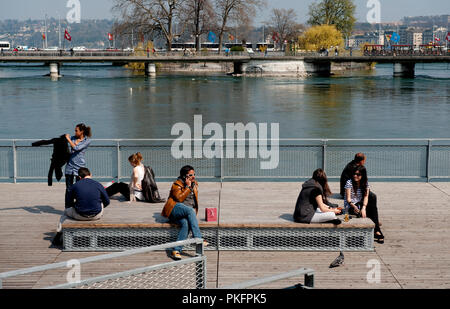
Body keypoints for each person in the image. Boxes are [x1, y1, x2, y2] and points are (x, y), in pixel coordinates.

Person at [52, 167, 110, 246]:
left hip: (79, 215)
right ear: (90, 174)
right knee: (100, 203)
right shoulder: (98, 184)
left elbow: (68, 203)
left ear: (79, 177)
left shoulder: (74, 186)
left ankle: (58, 236)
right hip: (96, 215)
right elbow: (107, 201)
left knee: (64, 213)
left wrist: (77, 204)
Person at [161, 165, 206, 260]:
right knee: (190, 210)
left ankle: (176, 250)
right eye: (191, 175)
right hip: (174, 209)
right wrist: (188, 187)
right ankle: (197, 237)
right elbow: (179, 198)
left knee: (186, 224)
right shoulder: (176, 185)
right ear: (185, 176)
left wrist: (191, 186)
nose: (193, 176)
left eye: (194, 174)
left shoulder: (194, 184)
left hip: (185, 212)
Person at [344, 165, 384, 243]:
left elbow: (366, 196)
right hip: (351, 205)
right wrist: (354, 206)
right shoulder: (349, 182)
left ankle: (376, 229)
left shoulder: (365, 183)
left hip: (360, 204)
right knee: (371, 211)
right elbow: (348, 199)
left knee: (372, 206)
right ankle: (377, 229)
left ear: (363, 175)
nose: (355, 176)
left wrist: (364, 208)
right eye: (354, 174)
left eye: (358, 174)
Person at [64, 123, 92, 189]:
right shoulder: (73, 138)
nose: (75, 132)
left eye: (76, 130)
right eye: (75, 130)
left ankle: (78, 199)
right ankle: (69, 199)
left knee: (79, 188)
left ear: (82, 131)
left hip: (79, 167)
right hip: (69, 167)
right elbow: (63, 140)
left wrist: (69, 140)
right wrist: (66, 137)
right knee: (69, 189)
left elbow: (77, 148)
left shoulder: (87, 141)